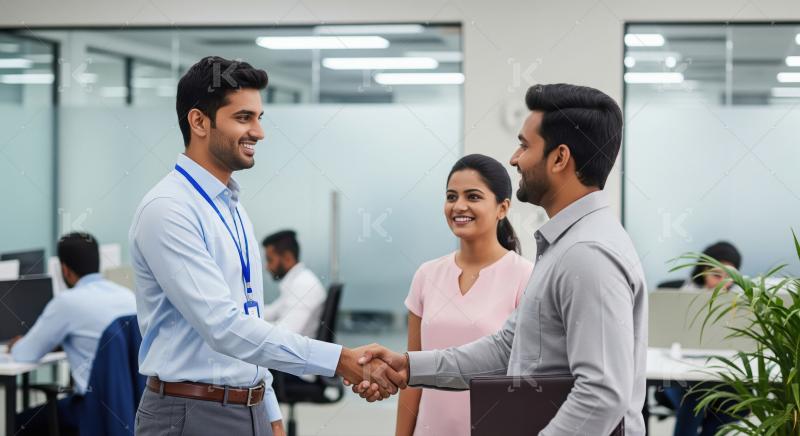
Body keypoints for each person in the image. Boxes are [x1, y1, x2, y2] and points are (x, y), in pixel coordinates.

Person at [351, 83, 649, 436]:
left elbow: (601, 395)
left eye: (524, 145)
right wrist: (409, 367)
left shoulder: (587, 253)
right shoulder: (565, 246)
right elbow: (507, 348)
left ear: (559, 158)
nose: (514, 159)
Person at [129, 56, 403, 436]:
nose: (258, 132)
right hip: (191, 413)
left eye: (259, 118)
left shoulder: (232, 207)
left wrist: (267, 405)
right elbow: (224, 328)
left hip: (249, 408)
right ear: (199, 122)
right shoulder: (168, 210)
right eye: (244, 118)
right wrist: (340, 360)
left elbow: (250, 317)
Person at [396, 154, 534, 436]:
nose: (459, 206)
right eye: (451, 196)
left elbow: (529, 381)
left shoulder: (526, 277)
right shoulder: (426, 275)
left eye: (473, 196)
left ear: (503, 208)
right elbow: (411, 377)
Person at [10, 232, 137, 436]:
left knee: (13, 422)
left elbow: (26, 354)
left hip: (91, 410)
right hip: (130, 407)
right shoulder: (128, 296)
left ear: (64, 270)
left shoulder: (67, 303)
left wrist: (16, 344)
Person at [663, 241, 742, 435]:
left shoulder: (739, 302)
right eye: (716, 275)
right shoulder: (681, 296)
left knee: (740, 404)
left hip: (721, 376)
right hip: (680, 375)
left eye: (729, 276)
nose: (723, 282)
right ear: (702, 271)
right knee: (695, 397)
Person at [261, 230, 326, 338]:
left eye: (270, 260)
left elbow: (286, 334)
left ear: (287, 258)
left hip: (296, 347)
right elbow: (271, 312)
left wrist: (250, 329)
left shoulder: (304, 284)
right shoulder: (296, 282)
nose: (267, 267)